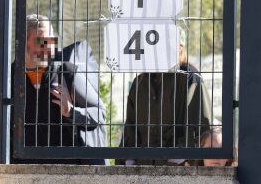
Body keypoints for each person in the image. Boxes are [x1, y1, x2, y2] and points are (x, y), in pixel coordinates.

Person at [11, 14, 105, 164]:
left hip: (66, 173)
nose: (48, 46)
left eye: (50, 40)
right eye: (41, 41)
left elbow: (100, 114)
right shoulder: (10, 79)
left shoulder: (66, 73)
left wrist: (71, 112)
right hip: (22, 173)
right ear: (24, 43)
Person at [118, 28, 213, 165]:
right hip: (141, 171)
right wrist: (129, 159)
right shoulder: (140, 83)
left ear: (180, 48)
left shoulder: (190, 79)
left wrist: (178, 158)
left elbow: (199, 129)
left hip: (179, 171)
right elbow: (130, 129)